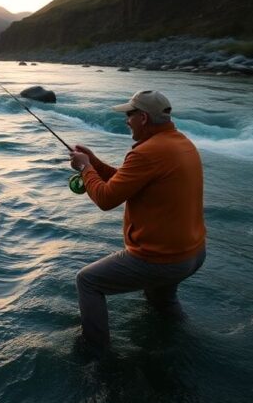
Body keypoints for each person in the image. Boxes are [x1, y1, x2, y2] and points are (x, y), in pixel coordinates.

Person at [68, 90, 206, 347]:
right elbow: (128, 181)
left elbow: (106, 199)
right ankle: (185, 342)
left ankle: (96, 357)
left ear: (143, 118)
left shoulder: (147, 153)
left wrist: (85, 168)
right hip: (193, 254)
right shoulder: (181, 142)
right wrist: (95, 163)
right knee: (161, 301)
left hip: (162, 258)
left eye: (129, 115)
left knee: (87, 281)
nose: (126, 120)